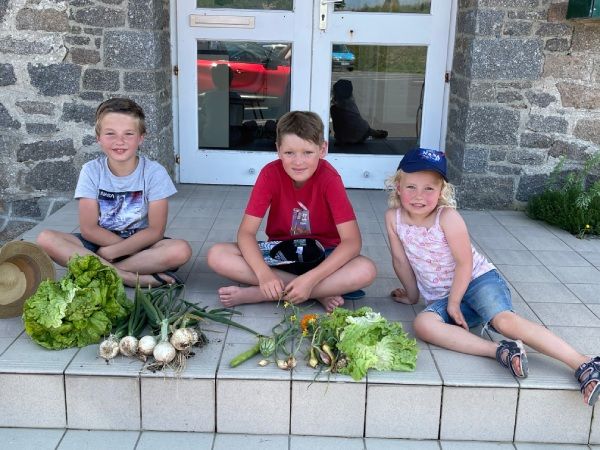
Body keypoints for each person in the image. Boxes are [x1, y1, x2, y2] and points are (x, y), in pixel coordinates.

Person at [385, 147, 600, 407]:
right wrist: (412, 295)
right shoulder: (393, 218)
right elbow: (400, 260)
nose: (419, 196)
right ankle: (501, 351)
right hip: (445, 295)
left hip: (478, 281)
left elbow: (465, 264)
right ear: (398, 186)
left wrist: (453, 304)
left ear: (441, 191)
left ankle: (584, 363)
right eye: (411, 187)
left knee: (504, 322)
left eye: (429, 188)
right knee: (423, 325)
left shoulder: (448, 217)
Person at [207, 111, 377, 312]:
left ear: (322, 149)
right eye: (289, 153)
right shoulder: (269, 174)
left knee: (366, 270)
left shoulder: (329, 179)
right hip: (282, 252)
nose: (298, 162)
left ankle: (264, 293)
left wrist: (311, 278)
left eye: (307, 152)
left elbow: (352, 242)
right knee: (217, 255)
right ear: (278, 150)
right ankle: (316, 292)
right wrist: (264, 274)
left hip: (323, 254)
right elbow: (246, 233)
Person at [37, 98, 192, 288]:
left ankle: (96, 271)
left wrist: (114, 253)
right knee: (46, 238)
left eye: (129, 134)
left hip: (139, 244)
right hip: (97, 243)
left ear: (141, 137)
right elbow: (89, 229)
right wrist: (111, 249)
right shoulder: (91, 170)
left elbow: (155, 230)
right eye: (110, 134)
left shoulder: (154, 172)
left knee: (180, 250)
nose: (120, 141)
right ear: (98, 137)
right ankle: (127, 277)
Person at [330, 79, 388, 145]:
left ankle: (374, 133)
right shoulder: (351, 104)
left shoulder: (335, 109)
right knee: (364, 128)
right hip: (361, 134)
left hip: (345, 139)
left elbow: (338, 126)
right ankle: (375, 133)